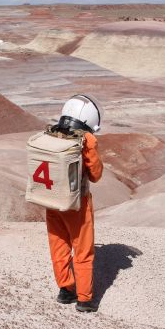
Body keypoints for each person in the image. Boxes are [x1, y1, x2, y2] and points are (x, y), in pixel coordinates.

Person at [46, 95, 103, 312]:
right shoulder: (86, 139)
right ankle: (85, 299)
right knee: (82, 250)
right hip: (76, 203)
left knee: (59, 245)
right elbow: (95, 174)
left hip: (51, 200)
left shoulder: (51, 133)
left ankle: (65, 289)